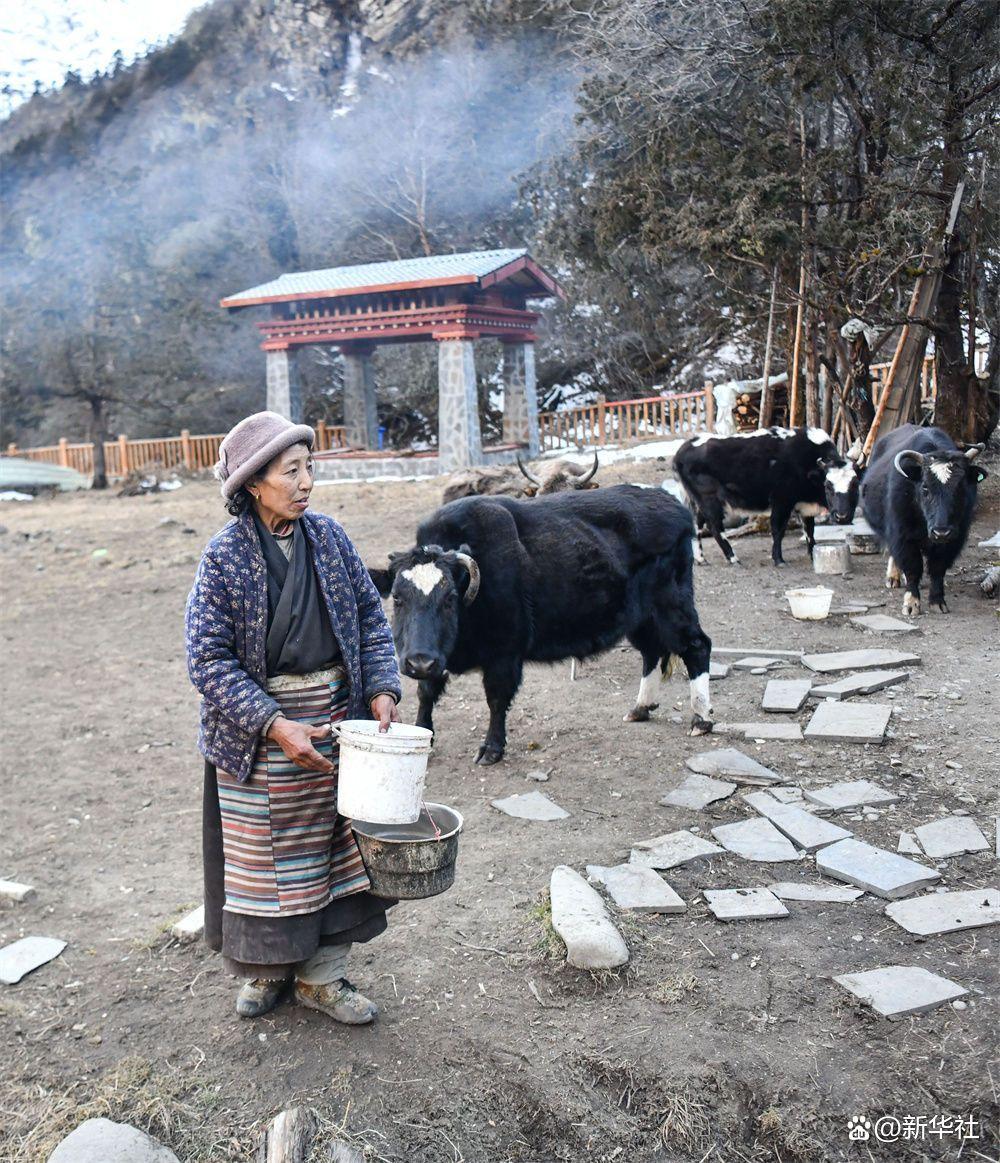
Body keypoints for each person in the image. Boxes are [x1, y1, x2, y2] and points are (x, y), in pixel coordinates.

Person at [185, 411, 402, 1023]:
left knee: (333, 856)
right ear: (254, 483)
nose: (306, 483)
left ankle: (322, 978)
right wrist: (274, 723)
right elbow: (206, 659)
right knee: (263, 864)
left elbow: (368, 619)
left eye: (310, 469)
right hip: (259, 739)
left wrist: (383, 687)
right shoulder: (224, 558)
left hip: (335, 725)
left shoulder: (329, 540)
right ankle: (267, 972)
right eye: (292, 471)